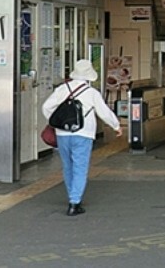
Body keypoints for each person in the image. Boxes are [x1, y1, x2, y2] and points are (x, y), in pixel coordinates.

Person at [42, 59, 122, 216]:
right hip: (83, 134)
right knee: (80, 167)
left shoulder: (62, 89)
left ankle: (73, 196)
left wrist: (56, 122)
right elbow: (104, 112)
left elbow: (46, 107)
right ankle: (74, 202)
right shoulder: (92, 93)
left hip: (62, 134)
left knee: (67, 166)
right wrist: (116, 126)